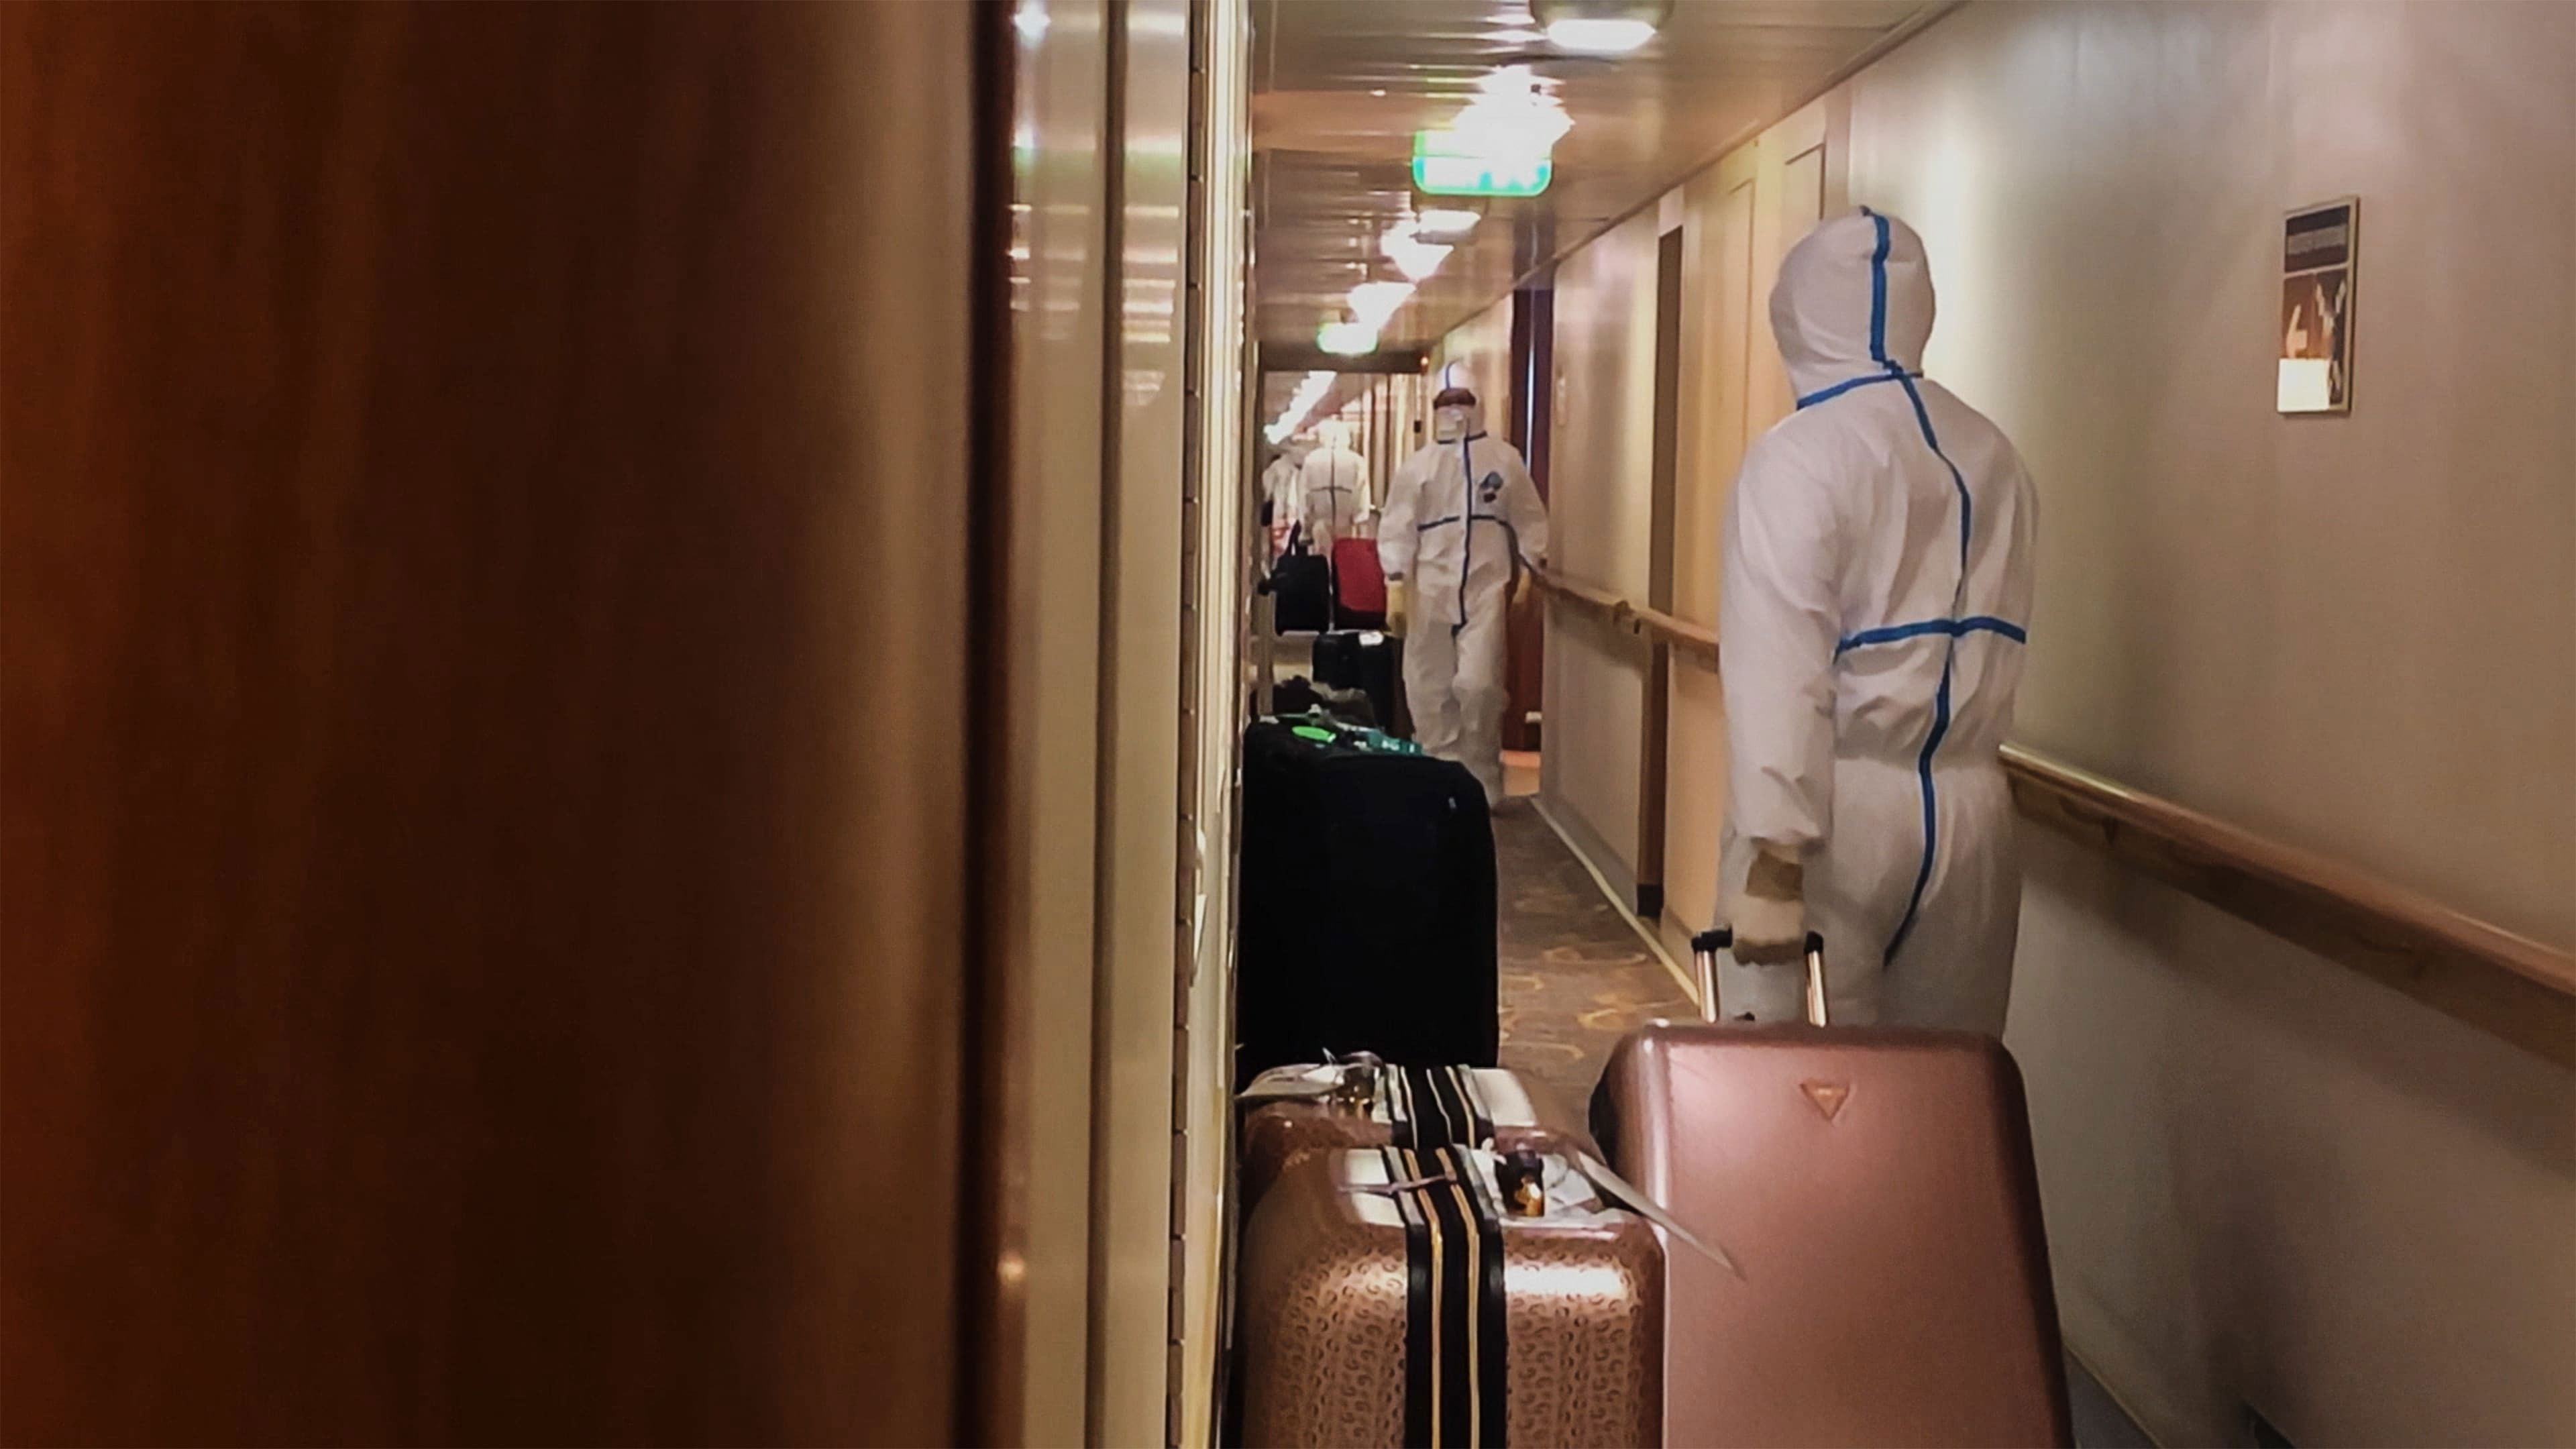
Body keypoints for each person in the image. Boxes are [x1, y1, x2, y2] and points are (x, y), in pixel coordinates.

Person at [1715, 208, 2036, 1036]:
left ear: (1800, 313)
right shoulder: (1994, 454)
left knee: (1793, 1084)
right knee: (1944, 1086)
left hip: (1837, 815)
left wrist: (1775, 852)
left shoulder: (1799, 454)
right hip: (1974, 815)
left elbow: (1780, 661)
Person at [1379, 382, 1548, 805]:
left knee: (1480, 685)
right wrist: (1395, 582)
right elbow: (1398, 525)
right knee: (1429, 686)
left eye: (1462, 406)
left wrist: (1530, 568)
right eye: (1448, 406)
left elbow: (1529, 515)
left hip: (1485, 586)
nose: (1455, 413)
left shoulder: (1503, 460)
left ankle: (1480, 779)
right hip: (1429, 588)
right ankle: (1440, 778)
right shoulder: (1418, 467)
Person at [1295, 419, 1367, 551]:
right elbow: (1362, 493)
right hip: (1347, 522)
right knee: (1345, 557)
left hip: (1320, 521)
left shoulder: (1312, 460)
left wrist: (1306, 528)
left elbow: (1305, 495)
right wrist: (1360, 521)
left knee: (1321, 558)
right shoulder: (1357, 461)